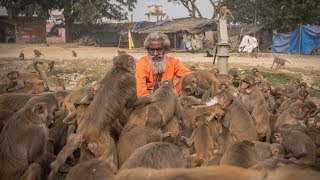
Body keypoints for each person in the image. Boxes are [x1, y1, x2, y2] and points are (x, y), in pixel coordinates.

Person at [136, 31, 192, 96]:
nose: (155, 54)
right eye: (152, 50)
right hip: (148, 99)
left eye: (159, 49)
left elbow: (190, 75)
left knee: (187, 80)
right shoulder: (141, 64)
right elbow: (140, 91)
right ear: (148, 50)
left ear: (165, 50)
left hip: (169, 95)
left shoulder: (173, 62)